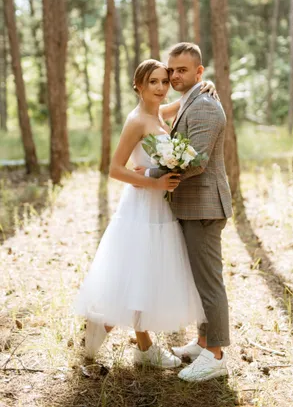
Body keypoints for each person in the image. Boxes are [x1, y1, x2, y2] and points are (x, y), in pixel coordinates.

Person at [75, 59, 217, 368]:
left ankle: (141, 345)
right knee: (136, 272)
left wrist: (204, 87)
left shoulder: (158, 114)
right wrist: (153, 180)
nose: (161, 87)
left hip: (160, 207)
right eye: (153, 82)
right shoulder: (137, 120)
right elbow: (114, 169)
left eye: (164, 81)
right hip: (140, 207)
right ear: (138, 86)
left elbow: (181, 103)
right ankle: (108, 340)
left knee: (147, 274)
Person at [136, 43, 232, 382]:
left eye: (182, 70)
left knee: (208, 283)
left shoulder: (203, 105)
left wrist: (147, 175)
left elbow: (196, 162)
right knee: (197, 280)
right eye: (171, 69)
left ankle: (216, 355)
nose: (175, 76)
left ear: (199, 72)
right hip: (190, 205)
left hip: (204, 205)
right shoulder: (190, 100)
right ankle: (204, 342)